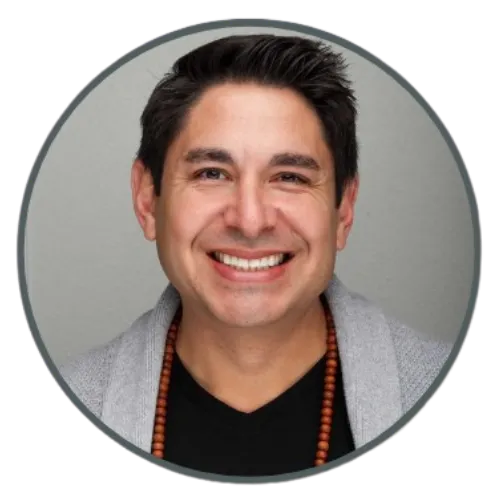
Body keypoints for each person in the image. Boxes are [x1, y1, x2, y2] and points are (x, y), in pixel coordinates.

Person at [59, 33, 452, 477]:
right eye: (212, 173)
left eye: (290, 177)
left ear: (343, 210)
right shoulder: (76, 393)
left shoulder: (432, 378)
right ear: (148, 200)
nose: (250, 221)